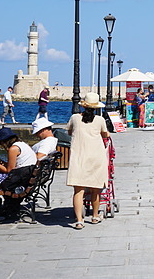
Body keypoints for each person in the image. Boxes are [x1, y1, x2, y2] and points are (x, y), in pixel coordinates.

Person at [66, 92, 109, 229]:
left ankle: (79, 220)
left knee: (78, 191)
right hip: (96, 156)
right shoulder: (100, 120)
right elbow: (105, 134)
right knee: (96, 189)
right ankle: (95, 216)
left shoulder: (75, 118)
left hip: (79, 156)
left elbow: (69, 131)